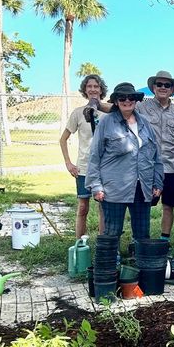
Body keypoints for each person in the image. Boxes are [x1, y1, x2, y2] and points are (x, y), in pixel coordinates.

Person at [85, 81, 164, 241]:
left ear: (136, 100)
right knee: (112, 233)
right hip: (114, 188)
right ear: (116, 101)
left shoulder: (145, 124)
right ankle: (110, 263)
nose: (127, 101)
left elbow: (156, 156)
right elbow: (94, 156)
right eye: (122, 98)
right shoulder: (106, 123)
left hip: (142, 187)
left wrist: (157, 182)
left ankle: (141, 261)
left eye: (131, 97)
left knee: (143, 233)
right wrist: (96, 186)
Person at [137, 70, 174, 240]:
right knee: (143, 206)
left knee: (168, 206)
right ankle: (142, 241)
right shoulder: (140, 107)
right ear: (153, 88)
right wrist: (96, 104)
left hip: (173, 167)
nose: (163, 87)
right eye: (159, 84)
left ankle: (164, 241)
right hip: (148, 166)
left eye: (167, 85)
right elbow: (118, 108)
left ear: (172, 89)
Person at [60, 73, 107, 238]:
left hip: (105, 168)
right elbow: (63, 139)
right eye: (89, 86)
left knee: (103, 207)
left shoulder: (109, 112)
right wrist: (68, 163)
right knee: (82, 207)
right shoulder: (78, 113)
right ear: (85, 90)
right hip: (84, 167)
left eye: (96, 86)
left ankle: (103, 244)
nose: (93, 89)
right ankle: (79, 244)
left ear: (101, 90)